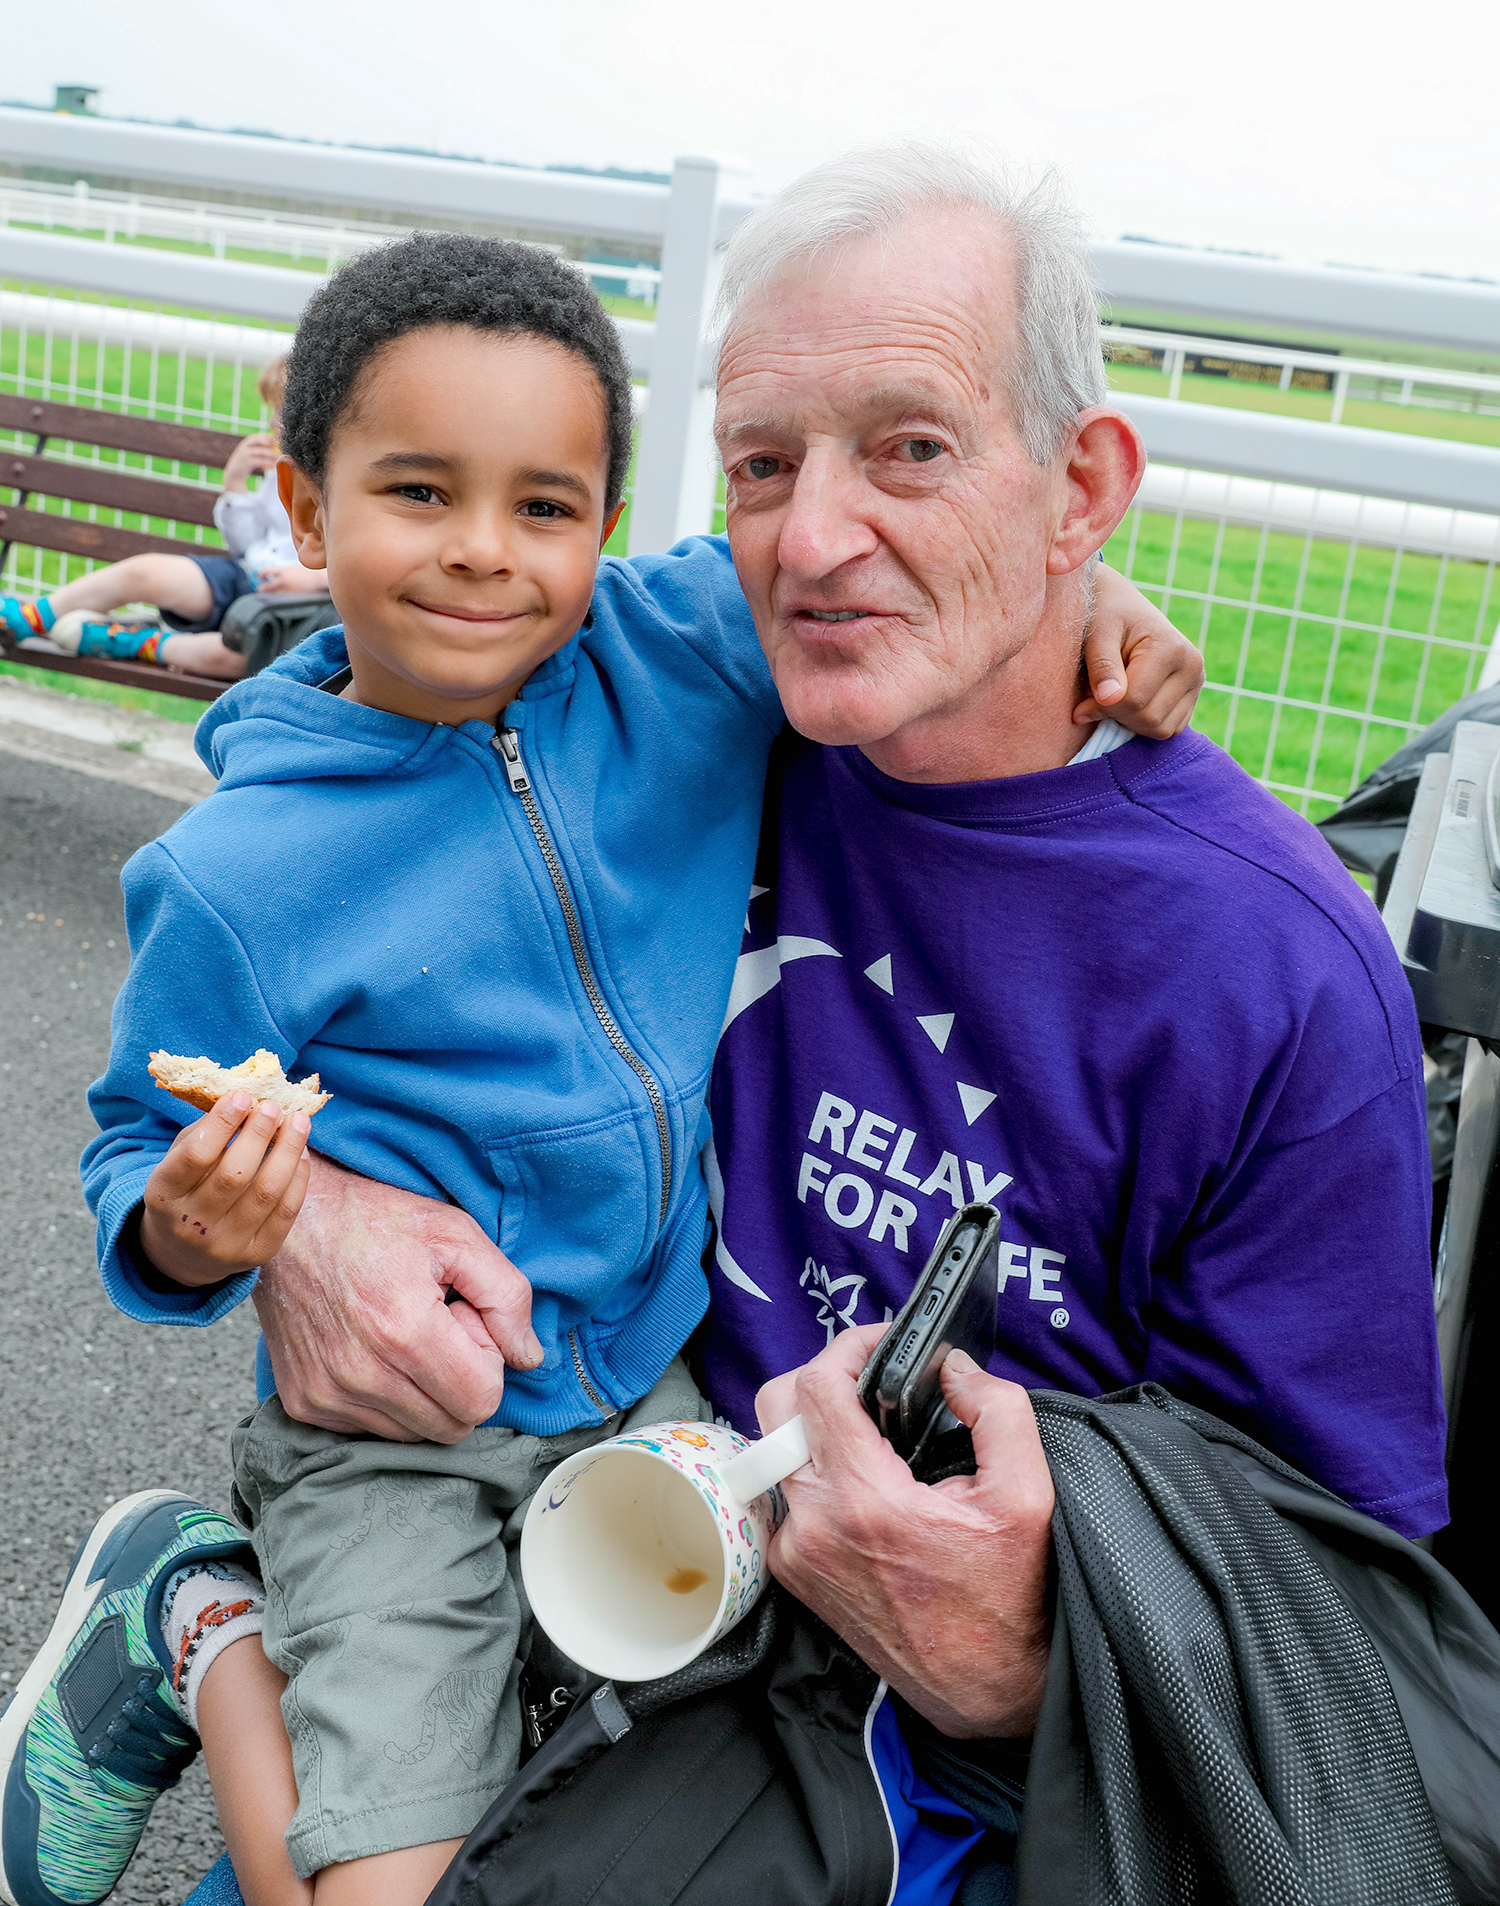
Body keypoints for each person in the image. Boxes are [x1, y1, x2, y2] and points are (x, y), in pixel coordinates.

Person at [129, 144, 1442, 1906]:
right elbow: (394, 740)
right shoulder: (707, 726)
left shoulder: (1272, 969)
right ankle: (208, 1623)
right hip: (591, 1528)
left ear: (1083, 488)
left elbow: (1335, 1604)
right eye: (762, 464)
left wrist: (1028, 1664)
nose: (815, 538)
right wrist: (304, 1218)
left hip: (923, 1728)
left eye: (913, 447)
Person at [0, 356, 328, 681]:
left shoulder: (340, 482)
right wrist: (235, 482)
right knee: (146, 571)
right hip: (247, 577)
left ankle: (140, 641)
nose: (271, 422)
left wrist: (312, 579)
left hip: (296, 609)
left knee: (236, 657)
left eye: (280, 411)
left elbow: (359, 552)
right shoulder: (282, 470)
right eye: (270, 409)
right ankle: (30, 618)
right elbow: (247, 544)